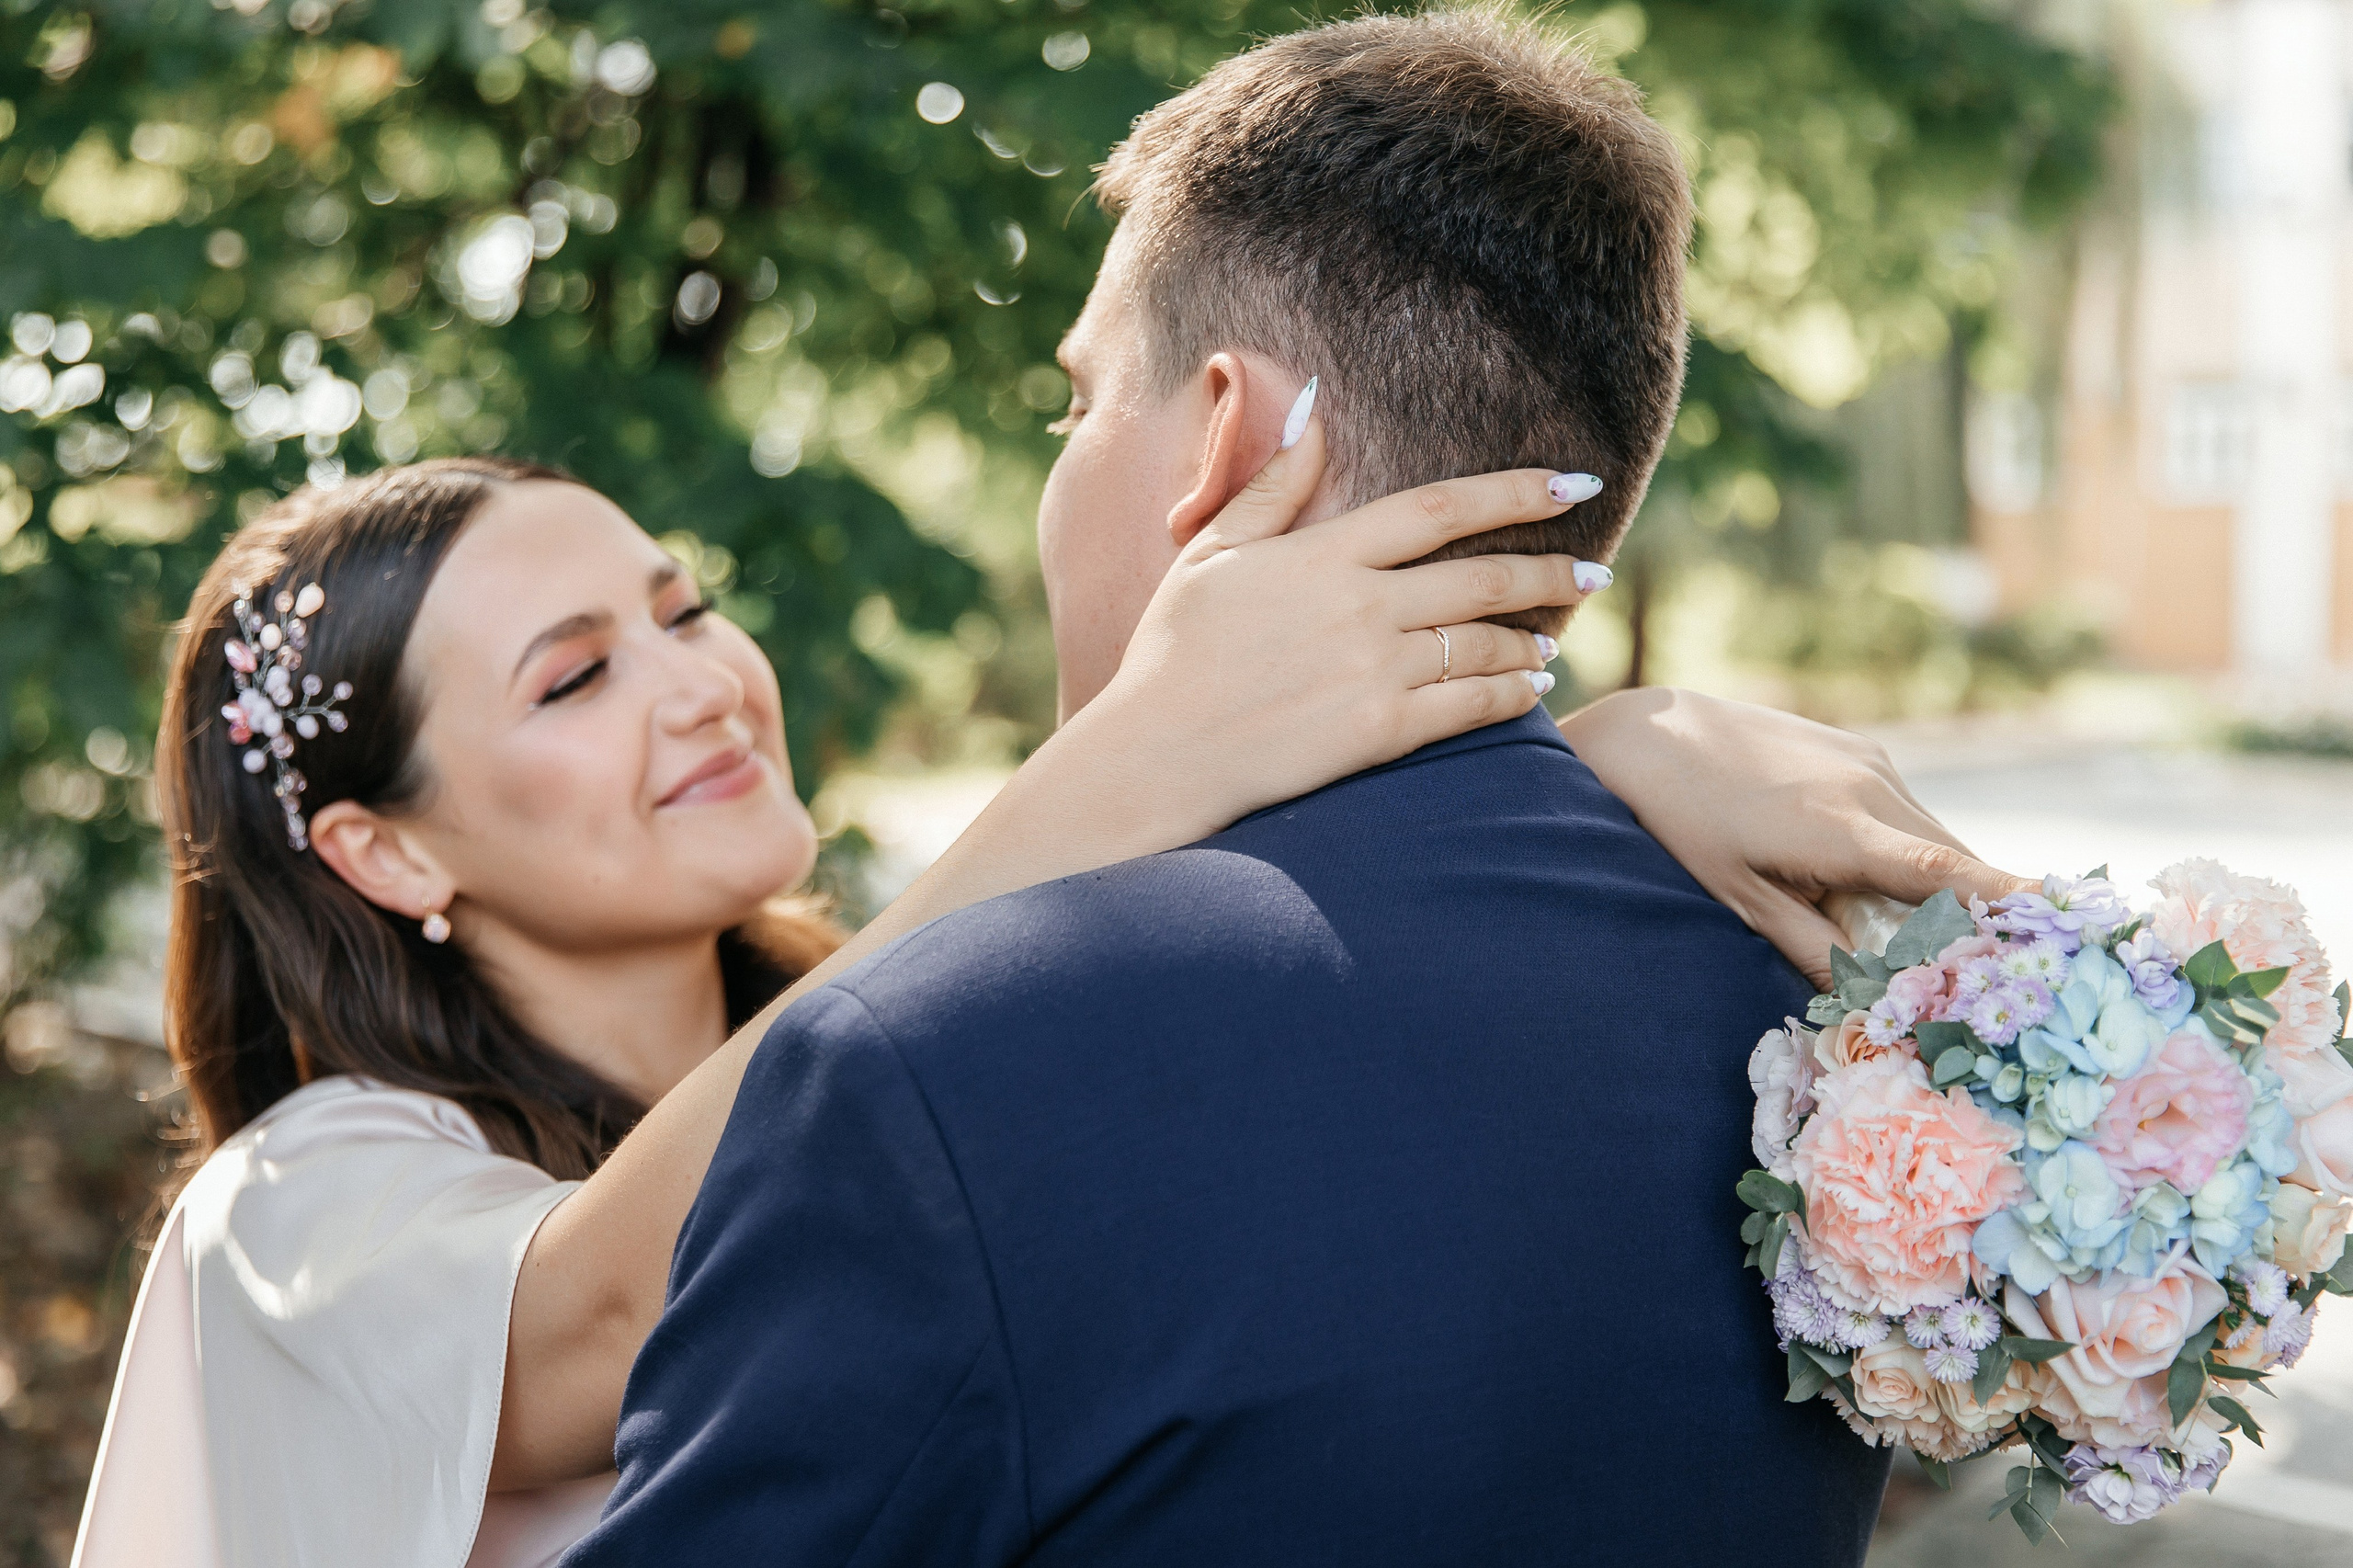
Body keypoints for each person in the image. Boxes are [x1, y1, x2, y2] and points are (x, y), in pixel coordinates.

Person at [568, 15, 2014, 1568]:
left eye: (1078, 405)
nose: (1061, 463)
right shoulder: (1836, 1038)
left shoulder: (932, 1060)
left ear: (1224, 435)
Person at [70, 438, 1998, 1568]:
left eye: (679, 607)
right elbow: (593, 1309)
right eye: (572, 679)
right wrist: (1142, 745)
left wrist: (1596, 758)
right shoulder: (300, 1208)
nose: (700, 683)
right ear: (387, 854)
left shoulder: (962, 1059)